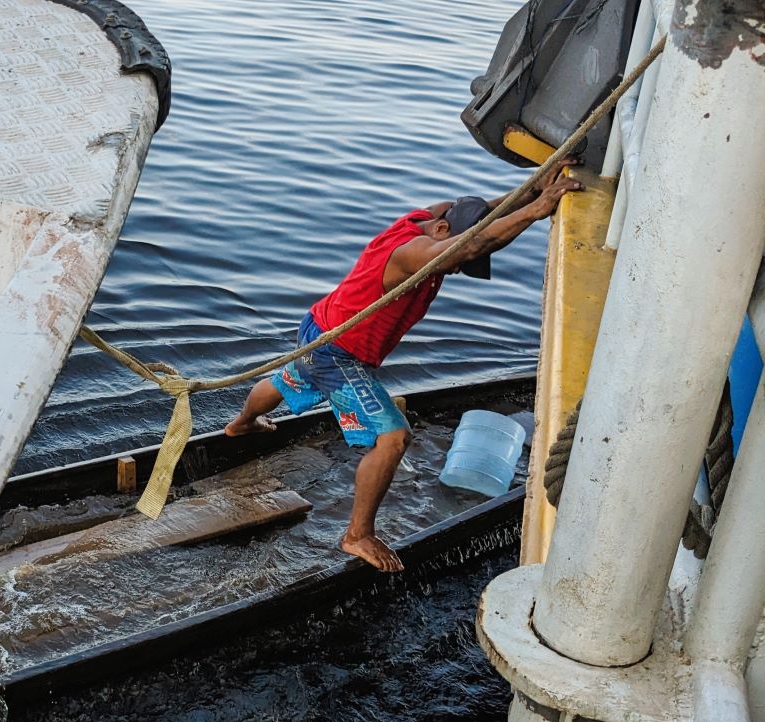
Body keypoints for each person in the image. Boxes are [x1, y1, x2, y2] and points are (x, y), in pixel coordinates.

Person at [224, 160, 583, 572]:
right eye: (455, 262)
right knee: (393, 438)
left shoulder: (426, 218)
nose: (457, 269)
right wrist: (535, 211)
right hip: (339, 352)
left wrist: (532, 190)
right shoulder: (414, 253)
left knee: (290, 379)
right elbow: (468, 246)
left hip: (318, 327)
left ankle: (242, 424)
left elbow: (481, 214)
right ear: (443, 233)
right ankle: (357, 535)